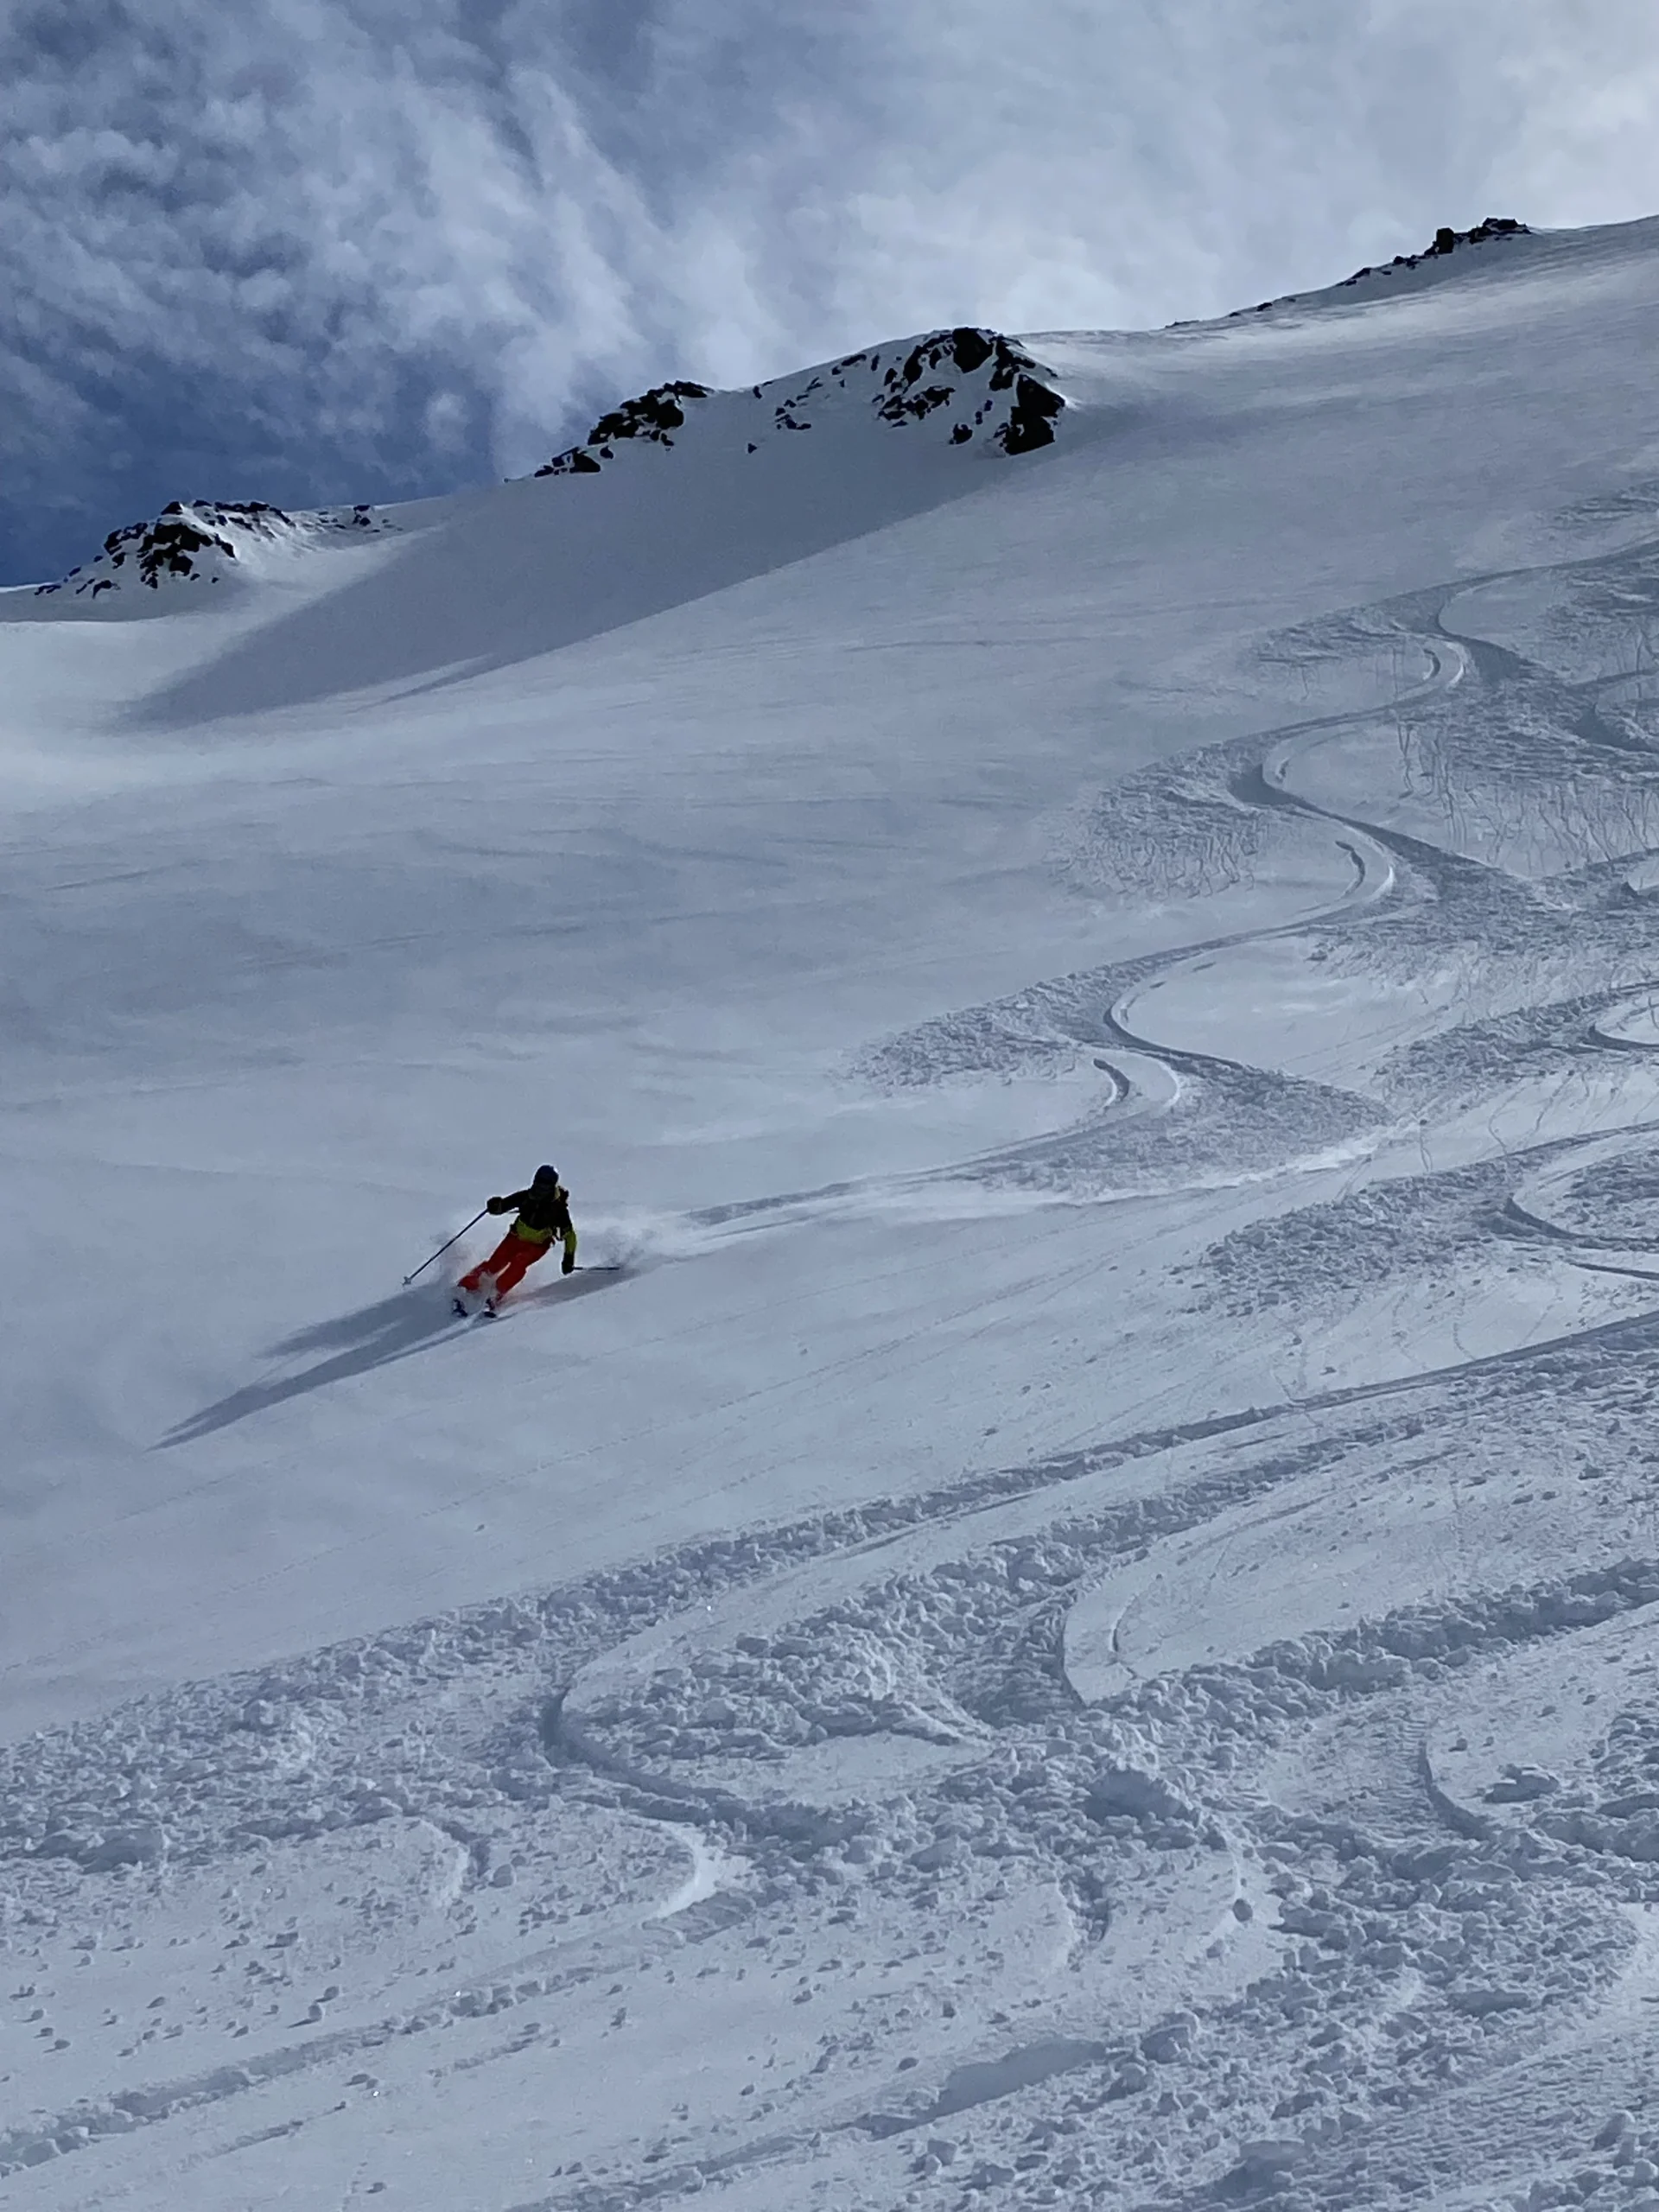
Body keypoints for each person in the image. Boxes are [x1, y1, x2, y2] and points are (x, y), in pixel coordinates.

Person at [454, 1166, 577, 1314]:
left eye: (544, 1186)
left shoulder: (558, 1210)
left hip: (537, 1246)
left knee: (519, 1263)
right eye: (538, 1183)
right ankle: (465, 1286)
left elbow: (570, 1235)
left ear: (552, 1187)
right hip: (515, 1237)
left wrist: (568, 1258)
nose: (539, 1189)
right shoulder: (526, 1196)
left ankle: (496, 1293)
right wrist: (495, 1206)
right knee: (495, 1263)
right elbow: (504, 1206)